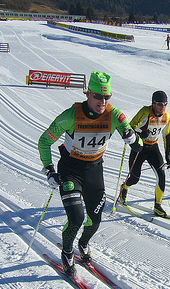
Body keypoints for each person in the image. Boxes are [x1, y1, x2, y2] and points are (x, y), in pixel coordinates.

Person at [37, 71, 143, 276]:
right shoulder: (70, 116)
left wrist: (132, 138)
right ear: (88, 94)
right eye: (98, 96)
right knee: (76, 218)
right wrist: (49, 170)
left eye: (107, 97)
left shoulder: (114, 115)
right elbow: (44, 141)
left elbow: (138, 146)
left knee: (95, 220)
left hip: (94, 171)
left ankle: (83, 244)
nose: (102, 101)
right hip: (70, 171)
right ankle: (67, 252)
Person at [120, 90, 170, 218]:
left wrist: (167, 155)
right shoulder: (145, 112)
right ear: (153, 103)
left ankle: (158, 205)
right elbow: (129, 128)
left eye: (165, 104)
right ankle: (124, 188)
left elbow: (167, 135)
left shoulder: (167, 116)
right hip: (139, 147)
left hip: (153, 148)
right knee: (135, 178)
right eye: (160, 104)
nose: (163, 107)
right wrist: (139, 135)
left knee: (161, 175)